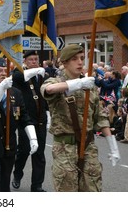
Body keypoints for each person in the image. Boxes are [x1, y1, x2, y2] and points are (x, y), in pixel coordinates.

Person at [40, 44, 120, 191]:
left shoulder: (90, 86)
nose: (80, 62)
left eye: (82, 58)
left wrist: (112, 145)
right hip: (65, 149)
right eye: (74, 59)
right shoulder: (55, 82)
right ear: (64, 63)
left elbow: (100, 117)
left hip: (88, 146)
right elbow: (48, 90)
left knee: (92, 190)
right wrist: (79, 83)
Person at [0, 58, 38, 192]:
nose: (3, 73)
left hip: (8, 145)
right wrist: (1, 87)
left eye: (6, 71)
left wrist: (33, 138)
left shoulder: (15, 92)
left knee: (5, 179)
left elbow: (24, 118)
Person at [11, 50, 48, 192]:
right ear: (25, 61)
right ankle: (17, 174)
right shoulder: (19, 73)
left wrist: (48, 114)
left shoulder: (42, 76)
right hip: (25, 120)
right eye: (31, 60)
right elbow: (20, 77)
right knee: (24, 150)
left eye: (36, 59)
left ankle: (37, 185)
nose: (34, 62)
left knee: (39, 153)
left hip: (40, 119)